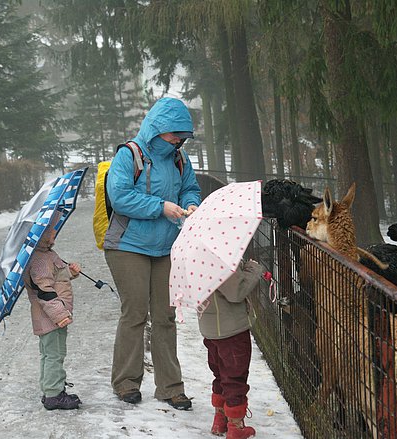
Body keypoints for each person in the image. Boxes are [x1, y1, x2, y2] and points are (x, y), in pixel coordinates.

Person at [103, 97, 201, 409]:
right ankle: (126, 383)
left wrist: (191, 203)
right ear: (158, 129)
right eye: (175, 134)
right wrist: (161, 207)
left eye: (182, 136)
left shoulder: (179, 158)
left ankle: (170, 388)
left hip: (166, 247)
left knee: (165, 316)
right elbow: (119, 197)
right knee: (135, 313)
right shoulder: (129, 154)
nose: (179, 140)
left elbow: (190, 188)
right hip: (127, 246)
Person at [198, 259, 264, 439]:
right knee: (235, 377)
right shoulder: (220, 257)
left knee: (220, 373)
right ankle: (236, 426)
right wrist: (253, 268)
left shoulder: (195, 259)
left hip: (210, 328)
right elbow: (236, 292)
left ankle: (220, 419)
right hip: (231, 329)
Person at [23, 213, 82, 410]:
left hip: (55, 316)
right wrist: (60, 315)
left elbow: (57, 278)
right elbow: (44, 291)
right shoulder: (38, 260)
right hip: (51, 318)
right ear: (39, 234)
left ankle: (51, 388)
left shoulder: (48, 255)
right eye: (51, 229)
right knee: (54, 355)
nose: (54, 231)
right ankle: (54, 395)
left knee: (50, 354)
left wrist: (70, 272)